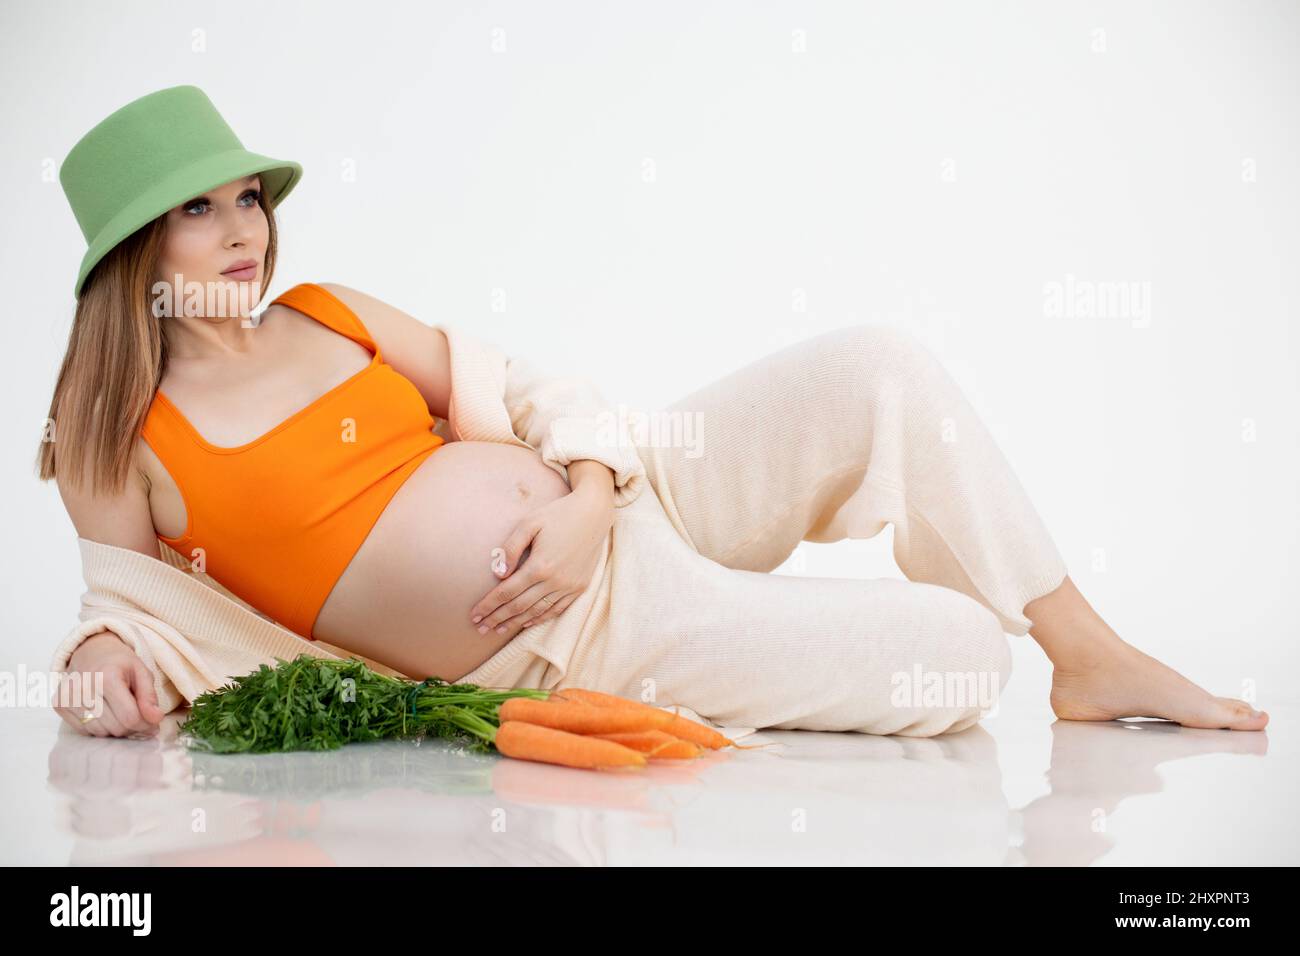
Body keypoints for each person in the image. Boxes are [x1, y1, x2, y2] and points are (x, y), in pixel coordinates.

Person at [40, 85, 1268, 740]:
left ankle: (1088, 650)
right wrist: (99, 672)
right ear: (136, 247)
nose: (244, 229)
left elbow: (517, 387)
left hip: (622, 500)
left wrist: (584, 492)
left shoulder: (326, 308)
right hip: (580, 633)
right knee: (955, 651)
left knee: (878, 364)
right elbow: (127, 610)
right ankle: (1014, 649)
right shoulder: (124, 435)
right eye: (202, 209)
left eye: (247, 198)